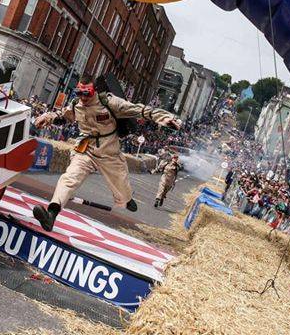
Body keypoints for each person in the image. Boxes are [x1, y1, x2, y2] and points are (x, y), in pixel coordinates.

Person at [32, 74, 182, 231]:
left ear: (94, 91)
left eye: (87, 94)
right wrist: (47, 117)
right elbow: (62, 116)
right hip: (86, 150)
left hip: (109, 153)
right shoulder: (76, 104)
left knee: (122, 191)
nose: (83, 98)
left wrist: (166, 118)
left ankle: (127, 198)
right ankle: (51, 214)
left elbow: (140, 110)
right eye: (79, 93)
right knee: (69, 178)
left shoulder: (110, 102)